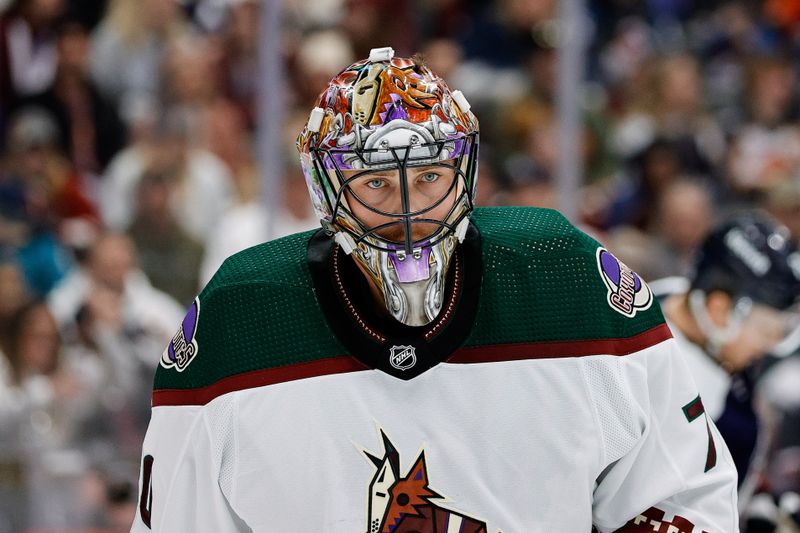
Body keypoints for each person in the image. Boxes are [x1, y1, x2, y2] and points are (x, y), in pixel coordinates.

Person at [132, 48, 738, 532]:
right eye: (374, 184)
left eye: (428, 178)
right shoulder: (238, 320)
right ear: (325, 192)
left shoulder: (569, 279)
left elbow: (684, 492)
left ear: (466, 173)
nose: (407, 213)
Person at [654, 212, 800, 525]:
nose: (770, 345)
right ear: (718, 309)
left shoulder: (667, 294)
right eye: (767, 331)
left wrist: (760, 500)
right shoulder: (670, 396)